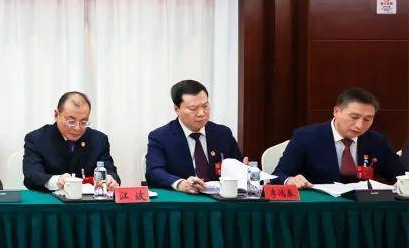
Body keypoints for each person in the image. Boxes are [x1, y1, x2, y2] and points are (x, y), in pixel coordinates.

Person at [273, 87, 402, 187]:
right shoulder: (306, 137)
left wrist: (402, 183)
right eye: (354, 117)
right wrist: (290, 180)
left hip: (362, 207)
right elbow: (278, 175)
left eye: (367, 119)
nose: (359, 125)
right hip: (320, 206)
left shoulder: (377, 141)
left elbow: (400, 175)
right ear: (336, 111)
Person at [145, 79, 244, 193]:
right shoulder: (160, 137)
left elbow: (237, 164)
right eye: (193, 108)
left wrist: (243, 170)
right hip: (184, 200)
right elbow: (154, 172)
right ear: (177, 109)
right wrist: (180, 184)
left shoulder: (223, 133)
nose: (201, 113)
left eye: (205, 106)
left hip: (220, 198)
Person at [23, 91, 120, 192]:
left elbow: (110, 171)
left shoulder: (99, 140)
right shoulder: (37, 139)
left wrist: (110, 180)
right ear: (56, 115)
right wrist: (57, 181)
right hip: (50, 200)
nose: (77, 128)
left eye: (83, 122)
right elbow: (32, 176)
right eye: (71, 121)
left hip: (89, 200)